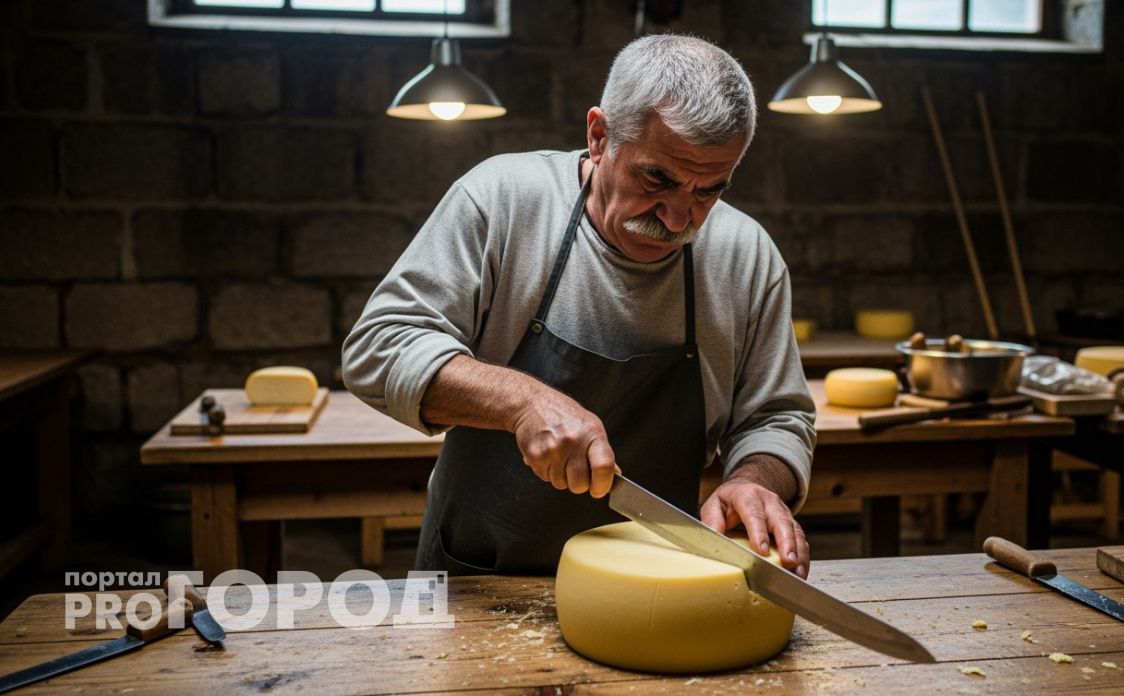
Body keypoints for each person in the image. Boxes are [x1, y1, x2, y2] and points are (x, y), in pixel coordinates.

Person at [342, 34, 815, 578]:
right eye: (657, 178)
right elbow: (379, 345)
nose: (680, 218)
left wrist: (754, 480)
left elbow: (778, 416)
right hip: (479, 579)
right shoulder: (502, 201)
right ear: (599, 135)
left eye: (709, 191)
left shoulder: (746, 257)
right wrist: (520, 401)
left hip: (658, 588)